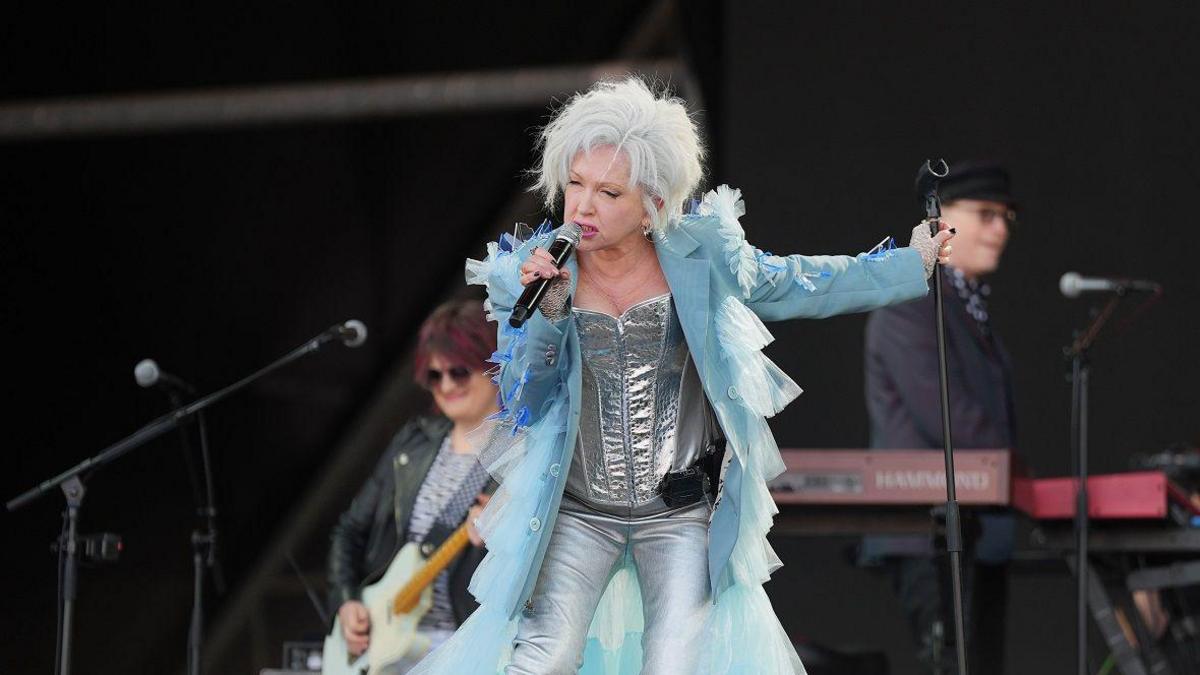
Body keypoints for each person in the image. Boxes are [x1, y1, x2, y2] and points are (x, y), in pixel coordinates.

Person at [410, 76, 954, 675]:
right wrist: (550, 314)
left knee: (677, 663)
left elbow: (796, 281)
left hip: (678, 512)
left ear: (654, 205)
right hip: (575, 509)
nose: (583, 206)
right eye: (575, 184)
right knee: (545, 656)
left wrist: (911, 263)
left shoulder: (700, 254)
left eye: (609, 192)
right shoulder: (534, 271)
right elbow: (528, 397)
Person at [863, 161, 1017, 674]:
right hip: (928, 528)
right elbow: (946, 415)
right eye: (987, 214)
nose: (1001, 229)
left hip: (978, 525)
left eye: (1006, 218)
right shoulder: (912, 301)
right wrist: (1015, 470)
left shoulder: (968, 306)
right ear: (943, 220)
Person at [327, 298, 499, 671]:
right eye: (435, 376)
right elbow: (350, 531)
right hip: (384, 649)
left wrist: (503, 540)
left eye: (459, 371)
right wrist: (346, 601)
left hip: (466, 650)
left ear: (493, 365)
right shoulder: (414, 442)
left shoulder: (520, 456)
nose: (447, 385)